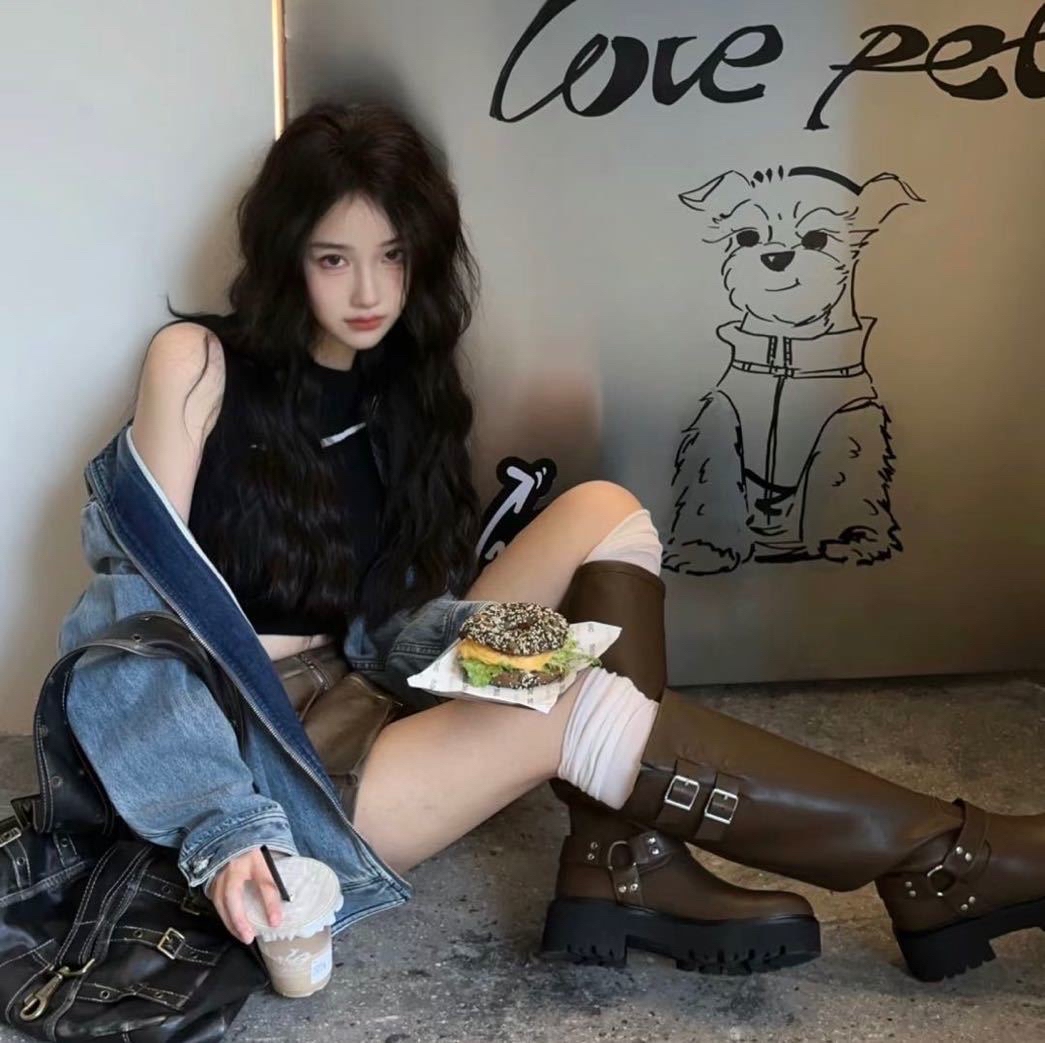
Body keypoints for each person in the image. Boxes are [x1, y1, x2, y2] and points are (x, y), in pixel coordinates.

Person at [59, 102, 1044, 992]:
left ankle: (622, 859)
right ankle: (940, 854)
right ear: (285, 256)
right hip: (272, 759)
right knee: (568, 703)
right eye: (332, 259)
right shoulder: (198, 364)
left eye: (392, 256)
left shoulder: (396, 387)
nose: (368, 290)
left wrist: (508, 657)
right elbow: (134, 625)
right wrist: (228, 827)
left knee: (601, 510)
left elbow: (392, 626)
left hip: (374, 680)